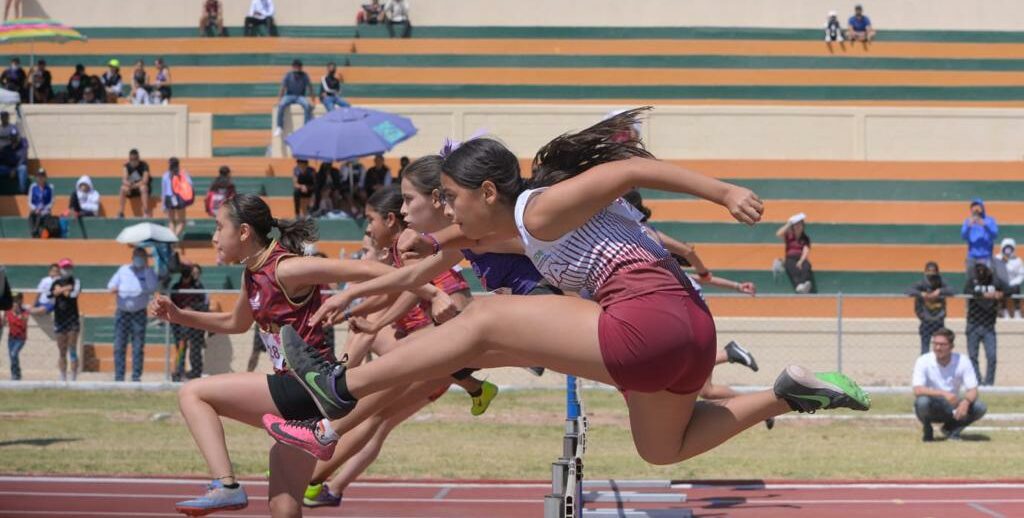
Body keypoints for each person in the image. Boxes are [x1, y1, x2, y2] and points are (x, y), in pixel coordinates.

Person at [275, 109, 870, 468]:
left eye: (450, 199)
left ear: (487, 193)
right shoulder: (523, 233)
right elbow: (425, 267)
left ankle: (332, 395)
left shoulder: (537, 209)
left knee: (483, 322)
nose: (445, 211)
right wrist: (356, 300)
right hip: (689, 327)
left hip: (646, 316)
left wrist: (723, 193)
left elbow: (629, 171)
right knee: (662, 450)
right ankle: (787, 394)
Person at [147, 192, 456, 516]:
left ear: (244, 232)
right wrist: (180, 316)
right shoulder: (253, 274)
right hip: (304, 405)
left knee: (194, 393)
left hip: (305, 387)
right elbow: (235, 323)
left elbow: (364, 271)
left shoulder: (286, 268)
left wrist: (432, 291)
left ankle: (225, 485)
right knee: (283, 508)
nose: (213, 237)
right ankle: (234, 486)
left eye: (218, 227)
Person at [912, 328, 986, 442]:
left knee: (980, 407)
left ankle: (951, 430)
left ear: (951, 346)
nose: (938, 348)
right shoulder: (923, 360)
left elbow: (973, 390)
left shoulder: (963, 361)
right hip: (932, 406)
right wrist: (943, 393)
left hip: (952, 406)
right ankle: (927, 430)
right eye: (935, 344)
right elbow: (917, 390)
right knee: (922, 402)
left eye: (942, 344)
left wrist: (965, 402)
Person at [108, 247, 159, 382]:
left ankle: (136, 376)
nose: (139, 259)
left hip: (139, 313)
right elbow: (111, 285)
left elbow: (153, 287)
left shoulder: (148, 272)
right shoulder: (123, 270)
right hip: (122, 313)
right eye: (137, 256)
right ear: (132, 257)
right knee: (119, 345)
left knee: (137, 346)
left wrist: (147, 270)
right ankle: (119, 377)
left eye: (142, 256)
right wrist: (115, 288)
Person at [964, 262, 1005, 386]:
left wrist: (1001, 293)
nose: (981, 271)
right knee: (972, 356)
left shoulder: (995, 281)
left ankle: (989, 384)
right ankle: (977, 381)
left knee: (992, 357)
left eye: (984, 269)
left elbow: (1011, 288)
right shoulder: (972, 280)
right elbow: (967, 291)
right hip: (973, 324)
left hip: (989, 325)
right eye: (979, 269)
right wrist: (985, 295)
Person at [905, 262, 954, 355]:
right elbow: (908, 290)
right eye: (929, 272)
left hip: (939, 322)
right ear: (925, 272)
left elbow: (953, 290)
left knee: (941, 348)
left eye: (933, 272)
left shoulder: (941, 282)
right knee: (925, 350)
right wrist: (921, 293)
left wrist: (940, 291)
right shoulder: (922, 283)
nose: (931, 275)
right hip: (926, 321)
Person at [171, 264, 209, 381]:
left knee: (195, 349)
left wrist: (191, 308)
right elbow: (172, 304)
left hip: (194, 323)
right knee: (181, 348)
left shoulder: (198, 287)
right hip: (179, 324)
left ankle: (196, 373)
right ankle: (178, 372)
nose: (187, 276)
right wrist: (180, 311)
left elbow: (204, 305)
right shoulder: (176, 287)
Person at [51, 258, 81, 382]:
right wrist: (66, 288)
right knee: (61, 350)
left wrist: (61, 290)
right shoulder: (55, 281)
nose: (66, 270)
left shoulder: (76, 281)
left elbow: (72, 295)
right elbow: (53, 293)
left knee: (72, 348)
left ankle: (73, 377)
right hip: (59, 319)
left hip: (72, 319)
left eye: (68, 267)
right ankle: (63, 376)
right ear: (60, 269)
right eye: (64, 267)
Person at [776, 212, 816, 293]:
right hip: (790, 258)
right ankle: (799, 285)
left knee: (806, 266)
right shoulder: (789, 235)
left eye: (800, 225)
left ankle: (804, 283)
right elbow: (778, 234)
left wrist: (801, 261)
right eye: (796, 225)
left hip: (800, 257)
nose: (798, 227)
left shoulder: (805, 238)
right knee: (790, 265)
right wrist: (789, 223)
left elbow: (805, 250)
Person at [274, 59, 314, 137]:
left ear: (301, 67)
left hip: (300, 96)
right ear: (292, 67)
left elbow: (310, 87)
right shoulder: (288, 75)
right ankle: (279, 126)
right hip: (289, 95)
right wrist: (279, 99)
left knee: (307, 106)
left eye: (299, 67)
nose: (297, 68)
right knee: (281, 105)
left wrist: (312, 99)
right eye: (295, 67)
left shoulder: (305, 75)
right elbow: (283, 87)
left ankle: (306, 126)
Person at [962, 198, 998, 279]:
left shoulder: (990, 220)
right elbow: (963, 236)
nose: (976, 209)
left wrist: (985, 225)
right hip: (972, 256)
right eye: (973, 206)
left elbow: (994, 235)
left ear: (982, 207)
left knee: (989, 278)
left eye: (978, 206)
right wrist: (969, 227)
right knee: (971, 279)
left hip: (987, 256)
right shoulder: (967, 221)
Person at [162, 157, 194, 236]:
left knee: (171, 221)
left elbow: (164, 191)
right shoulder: (183, 174)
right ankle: (174, 239)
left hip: (169, 198)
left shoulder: (165, 175)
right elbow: (190, 185)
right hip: (180, 198)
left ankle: (172, 240)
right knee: (182, 221)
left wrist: (163, 206)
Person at [118, 149, 152, 218]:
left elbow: (145, 180)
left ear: (138, 158)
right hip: (131, 188)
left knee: (144, 188)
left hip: (140, 188)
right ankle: (121, 212)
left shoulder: (144, 165)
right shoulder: (126, 166)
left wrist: (135, 185)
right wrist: (128, 184)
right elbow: (124, 180)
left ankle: (145, 212)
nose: (133, 161)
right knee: (122, 188)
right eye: (131, 159)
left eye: (135, 159)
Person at [994, 238, 1022, 319]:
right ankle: (1003, 311)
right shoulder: (997, 258)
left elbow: (1021, 275)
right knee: (998, 288)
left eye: (1010, 248)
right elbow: (995, 272)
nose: (1007, 250)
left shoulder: (1018, 260)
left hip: (1013, 284)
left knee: (1017, 288)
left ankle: (1017, 311)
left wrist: (1013, 283)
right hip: (1001, 284)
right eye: (1006, 248)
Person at [0, 110, 27, 193]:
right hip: (7, 168)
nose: (13, 140)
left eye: (15, 138)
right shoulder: (6, 148)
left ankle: (22, 190)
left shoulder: (22, 148)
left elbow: (22, 161)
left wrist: (14, 170)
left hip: (16, 168)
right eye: (12, 138)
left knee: (23, 168)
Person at [4, 291, 29, 380]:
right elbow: (3, 322)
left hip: (20, 338)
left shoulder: (24, 312)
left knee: (14, 354)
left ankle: (16, 374)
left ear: (20, 301)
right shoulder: (8, 311)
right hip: (11, 337)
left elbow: (25, 321)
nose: (15, 303)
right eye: (13, 300)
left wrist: (19, 314)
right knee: (12, 356)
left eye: (17, 301)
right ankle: (15, 374)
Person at [27, 169, 53, 238]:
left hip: (45, 211)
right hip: (35, 210)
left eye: (42, 176)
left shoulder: (50, 187)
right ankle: (34, 232)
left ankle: (40, 232)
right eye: (38, 176)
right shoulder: (33, 187)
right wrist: (35, 209)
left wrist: (42, 209)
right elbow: (30, 201)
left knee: (45, 216)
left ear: (45, 177)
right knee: (31, 216)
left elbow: (51, 202)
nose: (40, 178)